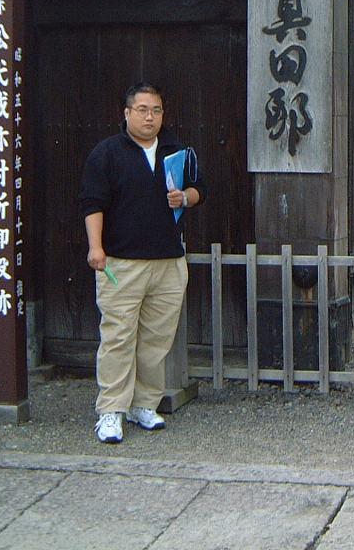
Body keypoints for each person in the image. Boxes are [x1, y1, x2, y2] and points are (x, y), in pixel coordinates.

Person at [79, 83, 205, 444]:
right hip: (122, 263)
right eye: (143, 110)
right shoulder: (107, 153)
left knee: (156, 340)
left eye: (157, 110)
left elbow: (200, 189)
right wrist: (95, 248)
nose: (150, 117)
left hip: (167, 260)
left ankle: (143, 404)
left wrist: (186, 197)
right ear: (127, 113)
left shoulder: (176, 150)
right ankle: (111, 411)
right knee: (118, 337)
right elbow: (92, 202)